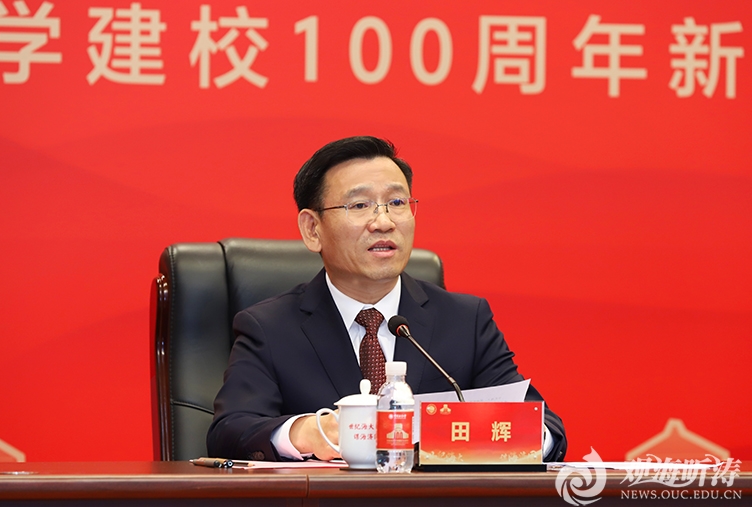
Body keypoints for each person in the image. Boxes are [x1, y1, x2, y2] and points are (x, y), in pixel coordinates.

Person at [207, 136, 567, 462]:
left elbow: (545, 429)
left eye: (396, 202)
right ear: (312, 229)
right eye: (359, 205)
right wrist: (307, 432)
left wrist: (470, 433)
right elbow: (229, 432)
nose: (383, 222)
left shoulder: (465, 321)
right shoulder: (270, 328)